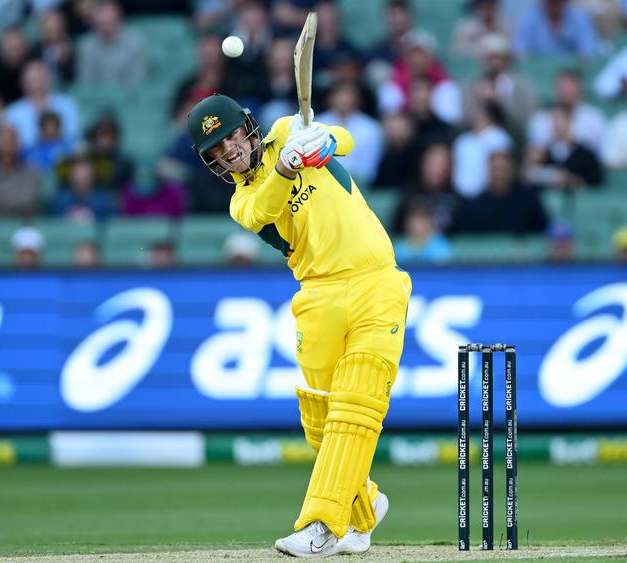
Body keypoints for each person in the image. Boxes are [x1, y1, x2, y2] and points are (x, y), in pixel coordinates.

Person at [187, 94, 411, 557]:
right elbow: (265, 209)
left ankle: (321, 525)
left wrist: (324, 139)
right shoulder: (242, 201)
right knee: (321, 421)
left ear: (248, 128)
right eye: (216, 148)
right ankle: (365, 509)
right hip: (317, 296)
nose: (228, 149)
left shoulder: (290, 128)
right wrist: (286, 171)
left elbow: (344, 141)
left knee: (356, 406)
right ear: (211, 160)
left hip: (375, 281)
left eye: (230, 136)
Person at [76, 0, 147, 86]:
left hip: (129, 96)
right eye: (102, 23)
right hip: (96, 97)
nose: (106, 28)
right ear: (94, 23)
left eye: (110, 22)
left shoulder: (136, 42)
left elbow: (138, 80)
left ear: (120, 20)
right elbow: (86, 82)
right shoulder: (85, 45)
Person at [514, 0, 599, 58]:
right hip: (539, 77)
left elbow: (590, 49)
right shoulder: (530, 19)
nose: (557, 5)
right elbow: (521, 52)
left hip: (572, 75)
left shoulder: (580, 17)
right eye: (553, 2)